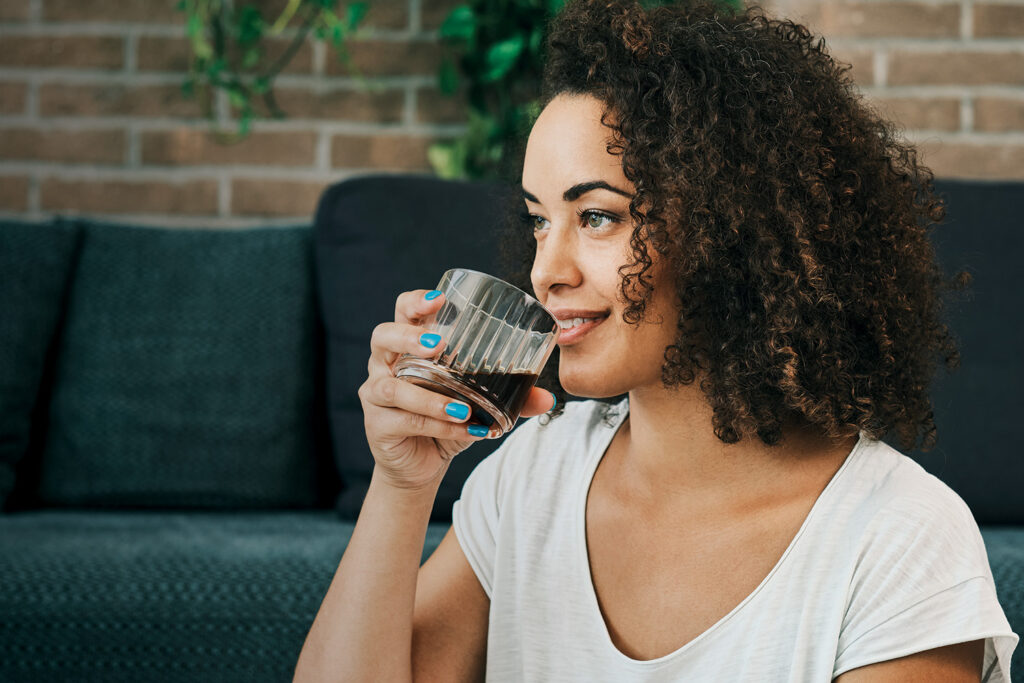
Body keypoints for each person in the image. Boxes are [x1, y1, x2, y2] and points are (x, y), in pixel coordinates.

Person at [294, 0, 1019, 680]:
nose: (547, 271)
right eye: (540, 220)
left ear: (728, 229)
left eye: (599, 217)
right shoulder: (534, 476)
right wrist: (401, 485)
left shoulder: (895, 539)